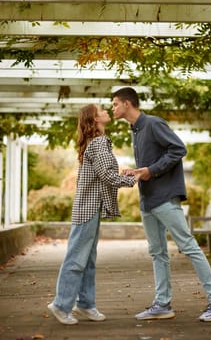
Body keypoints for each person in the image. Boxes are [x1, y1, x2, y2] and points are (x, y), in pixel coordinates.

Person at [112, 87, 211, 322]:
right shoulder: (135, 130)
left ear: (127, 103)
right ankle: (162, 304)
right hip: (148, 201)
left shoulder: (154, 123)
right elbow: (150, 166)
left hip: (165, 198)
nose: (112, 108)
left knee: (188, 246)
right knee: (158, 253)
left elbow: (178, 149)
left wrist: (151, 171)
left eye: (115, 103)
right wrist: (137, 171)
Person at [48, 104, 138, 325]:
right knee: (77, 258)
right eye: (102, 110)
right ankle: (61, 305)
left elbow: (103, 176)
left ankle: (86, 304)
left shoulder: (97, 142)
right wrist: (134, 179)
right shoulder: (98, 143)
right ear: (95, 119)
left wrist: (126, 175)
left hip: (90, 207)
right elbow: (108, 175)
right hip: (88, 208)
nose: (107, 110)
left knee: (87, 259)